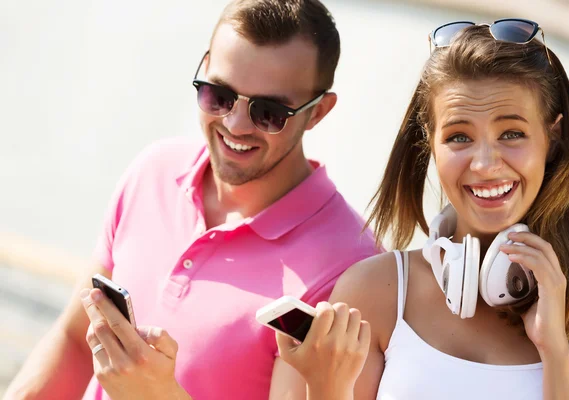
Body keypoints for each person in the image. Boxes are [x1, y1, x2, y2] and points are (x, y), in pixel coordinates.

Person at [4, 1, 380, 399]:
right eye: (219, 95)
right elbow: (77, 343)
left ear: (318, 111)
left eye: (268, 112)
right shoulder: (154, 170)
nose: (235, 124)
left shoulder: (349, 269)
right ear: (204, 67)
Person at [272, 20, 569, 399]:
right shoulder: (376, 291)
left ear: (552, 138)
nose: (484, 164)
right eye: (459, 137)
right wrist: (325, 386)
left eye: (512, 133)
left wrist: (555, 350)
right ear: (430, 143)